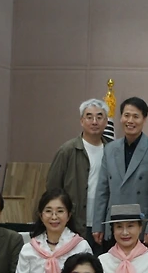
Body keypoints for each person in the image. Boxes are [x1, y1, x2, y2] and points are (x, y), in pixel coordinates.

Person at [91, 96, 148, 246]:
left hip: (140, 223)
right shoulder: (110, 148)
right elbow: (102, 189)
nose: (130, 120)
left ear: (144, 119)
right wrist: (97, 224)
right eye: (126, 115)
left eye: (135, 116)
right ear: (121, 118)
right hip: (113, 222)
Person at [45, 99, 108, 241]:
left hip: (103, 224)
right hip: (73, 223)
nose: (94, 122)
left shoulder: (112, 150)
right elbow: (53, 188)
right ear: (81, 121)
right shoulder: (67, 151)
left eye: (99, 117)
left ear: (105, 122)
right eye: (89, 117)